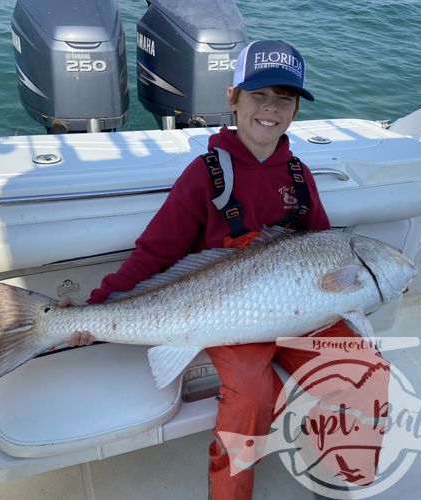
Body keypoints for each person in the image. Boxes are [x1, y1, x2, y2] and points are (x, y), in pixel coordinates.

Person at [65, 40, 388, 499]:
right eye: (259, 95)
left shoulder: (299, 175)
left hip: (303, 311)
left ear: (296, 108)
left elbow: (324, 247)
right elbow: (155, 252)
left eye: (285, 97)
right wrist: (94, 310)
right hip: (230, 314)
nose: (271, 109)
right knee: (253, 399)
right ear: (232, 97)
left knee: (366, 371)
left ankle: (338, 473)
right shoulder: (205, 174)